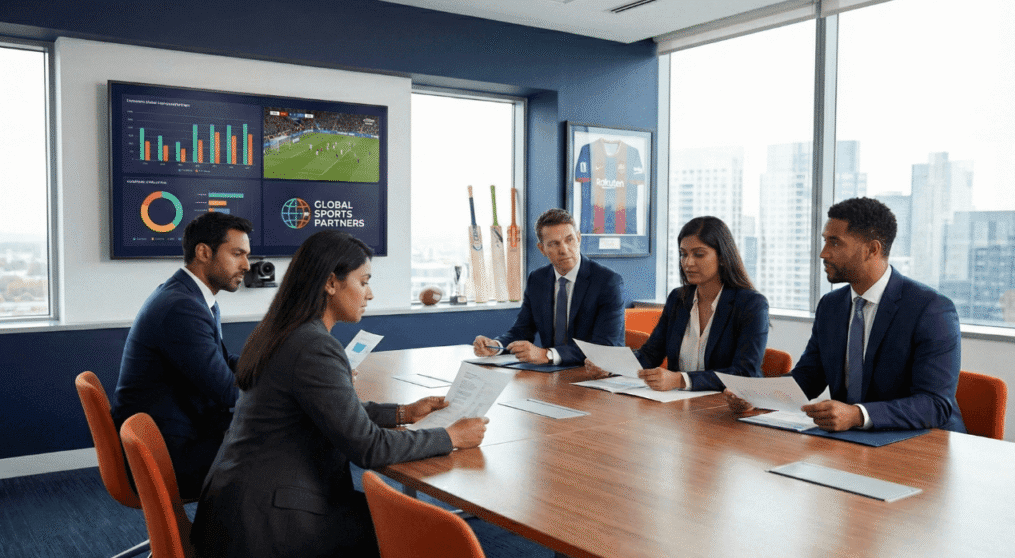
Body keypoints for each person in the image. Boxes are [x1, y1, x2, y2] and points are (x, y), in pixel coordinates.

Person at [192, 230, 488, 558]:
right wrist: (451, 436)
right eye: (364, 282)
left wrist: (404, 413)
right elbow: (369, 448)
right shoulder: (314, 345)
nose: (370, 294)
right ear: (331, 283)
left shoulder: (279, 331)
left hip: (238, 506)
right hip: (270, 522)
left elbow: (329, 409)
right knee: (421, 534)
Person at [726, 197, 966, 433]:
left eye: (835, 243)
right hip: (852, 442)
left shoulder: (930, 309)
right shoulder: (832, 305)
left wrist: (858, 415)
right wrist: (758, 397)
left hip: (922, 445)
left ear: (872, 249)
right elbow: (809, 377)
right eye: (825, 241)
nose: (823, 253)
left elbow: (935, 404)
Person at [111, 211, 252, 499]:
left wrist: (278, 368)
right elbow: (228, 392)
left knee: (273, 442)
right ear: (203, 252)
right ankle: (229, 541)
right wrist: (288, 391)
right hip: (166, 452)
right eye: (237, 254)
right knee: (281, 451)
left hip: (172, 433)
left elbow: (223, 364)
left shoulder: (189, 296)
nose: (247, 265)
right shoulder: (182, 307)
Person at [586, 216, 768, 391]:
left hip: (723, 409)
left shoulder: (751, 304)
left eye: (699, 254)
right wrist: (609, 366)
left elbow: (745, 372)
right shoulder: (678, 299)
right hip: (678, 407)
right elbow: (650, 355)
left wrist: (681, 380)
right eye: (683, 254)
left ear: (722, 257)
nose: (688, 263)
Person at [473, 208, 626, 366]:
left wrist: (548, 354)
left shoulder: (608, 282)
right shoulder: (537, 279)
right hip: (552, 373)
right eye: (554, 244)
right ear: (542, 249)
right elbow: (522, 330)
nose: (564, 250)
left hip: (594, 373)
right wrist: (496, 346)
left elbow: (604, 347)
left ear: (579, 238)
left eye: (569, 240)